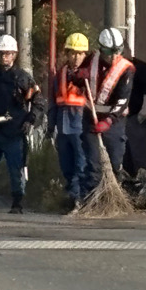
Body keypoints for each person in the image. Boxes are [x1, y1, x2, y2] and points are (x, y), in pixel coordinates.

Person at [0, 34, 44, 215]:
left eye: (8, 54)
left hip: (13, 132)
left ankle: (17, 203)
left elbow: (38, 101)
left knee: (16, 169)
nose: (4, 57)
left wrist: (31, 120)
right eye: (1, 54)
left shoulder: (23, 78)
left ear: (14, 55)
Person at [81, 27, 135, 195]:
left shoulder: (126, 69)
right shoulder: (91, 59)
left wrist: (109, 120)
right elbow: (79, 79)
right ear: (101, 48)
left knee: (114, 160)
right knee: (93, 162)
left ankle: (115, 196)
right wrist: (77, 77)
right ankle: (91, 198)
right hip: (91, 117)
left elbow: (123, 100)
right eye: (108, 52)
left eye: (116, 52)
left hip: (114, 121)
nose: (112, 56)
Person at [48, 32, 90, 211]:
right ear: (66, 54)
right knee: (66, 166)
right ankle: (71, 198)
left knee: (81, 165)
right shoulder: (60, 75)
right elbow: (53, 101)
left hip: (81, 126)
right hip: (63, 126)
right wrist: (50, 127)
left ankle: (78, 200)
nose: (76, 57)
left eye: (80, 53)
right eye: (72, 53)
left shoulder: (88, 75)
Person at [124, 54, 146, 176]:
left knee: (140, 157)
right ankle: (129, 187)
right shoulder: (116, 68)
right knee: (126, 158)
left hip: (137, 117)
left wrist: (144, 109)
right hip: (121, 118)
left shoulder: (141, 67)